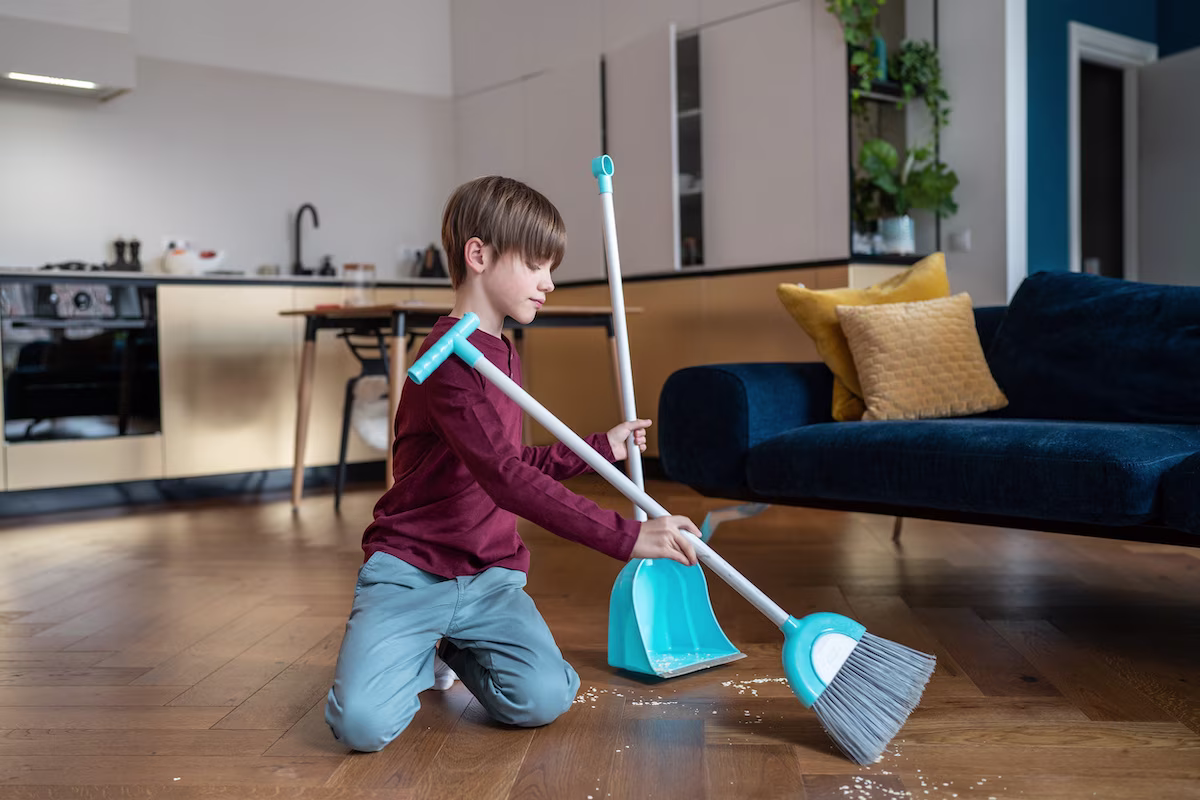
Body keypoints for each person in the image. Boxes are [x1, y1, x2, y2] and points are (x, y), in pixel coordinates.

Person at [325, 175, 702, 752]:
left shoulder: (501, 349)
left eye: (551, 267)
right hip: (411, 571)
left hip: (487, 578)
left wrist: (602, 447)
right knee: (361, 727)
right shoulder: (450, 361)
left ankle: (453, 644)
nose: (549, 283)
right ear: (479, 255)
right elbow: (504, 475)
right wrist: (626, 536)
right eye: (535, 265)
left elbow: (510, 458)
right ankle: (413, 645)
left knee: (543, 698)